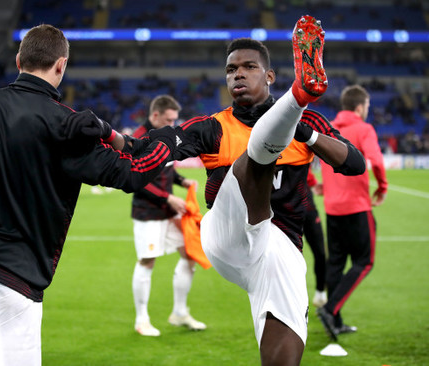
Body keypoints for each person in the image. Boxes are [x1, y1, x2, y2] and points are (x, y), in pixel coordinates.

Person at [0, 24, 185, 366]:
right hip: (15, 278)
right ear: (61, 65)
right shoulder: (68, 125)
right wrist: (172, 141)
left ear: (18, 60)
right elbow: (131, 172)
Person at [156, 16, 365, 365]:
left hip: (277, 248)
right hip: (228, 235)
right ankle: (300, 94)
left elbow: (355, 164)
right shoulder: (213, 128)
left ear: (269, 76)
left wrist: (307, 137)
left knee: (286, 345)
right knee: (254, 158)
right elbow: (161, 146)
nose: (237, 74)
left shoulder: (308, 126)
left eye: (249, 66)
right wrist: (121, 145)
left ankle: (294, 104)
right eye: (231, 69)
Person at [316, 84, 387, 341]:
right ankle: (330, 310)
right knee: (364, 261)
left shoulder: (328, 130)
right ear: (360, 107)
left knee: (336, 263)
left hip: (333, 209)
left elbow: (311, 160)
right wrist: (382, 186)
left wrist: (319, 185)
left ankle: (335, 321)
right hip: (357, 207)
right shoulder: (364, 129)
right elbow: (376, 160)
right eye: (367, 106)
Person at [131, 95, 205, 336]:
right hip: (148, 212)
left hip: (169, 210)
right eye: (169, 119)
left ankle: (180, 312)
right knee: (147, 261)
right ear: (155, 116)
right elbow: (135, 180)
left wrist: (182, 182)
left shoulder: (166, 136)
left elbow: (166, 169)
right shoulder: (136, 140)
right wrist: (167, 198)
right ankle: (142, 319)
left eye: (175, 120)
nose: (173, 125)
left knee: (189, 254)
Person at [304, 166, 327, 308]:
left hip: (305, 203)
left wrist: (312, 182)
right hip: (287, 205)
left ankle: (321, 293)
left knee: (320, 252)